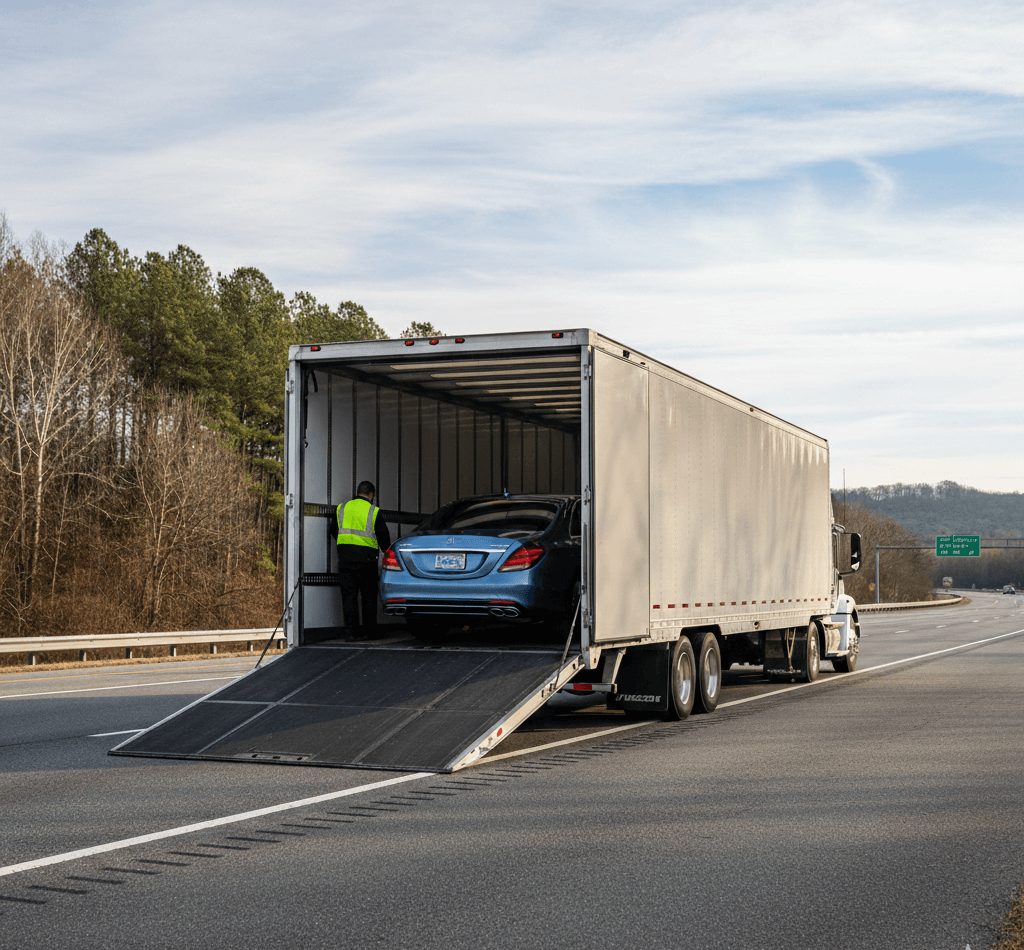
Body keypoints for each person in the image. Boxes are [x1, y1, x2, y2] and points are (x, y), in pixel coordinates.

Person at [331, 480, 391, 641]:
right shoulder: (373, 511)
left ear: (358, 492)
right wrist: (387, 551)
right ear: (371, 495)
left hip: (345, 560)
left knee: (349, 597)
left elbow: (333, 530)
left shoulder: (342, 508)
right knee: (369, 597)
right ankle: (370, 632)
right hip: (367, 561)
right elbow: (384, 537)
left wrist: (347, 545)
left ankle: (350, 633)